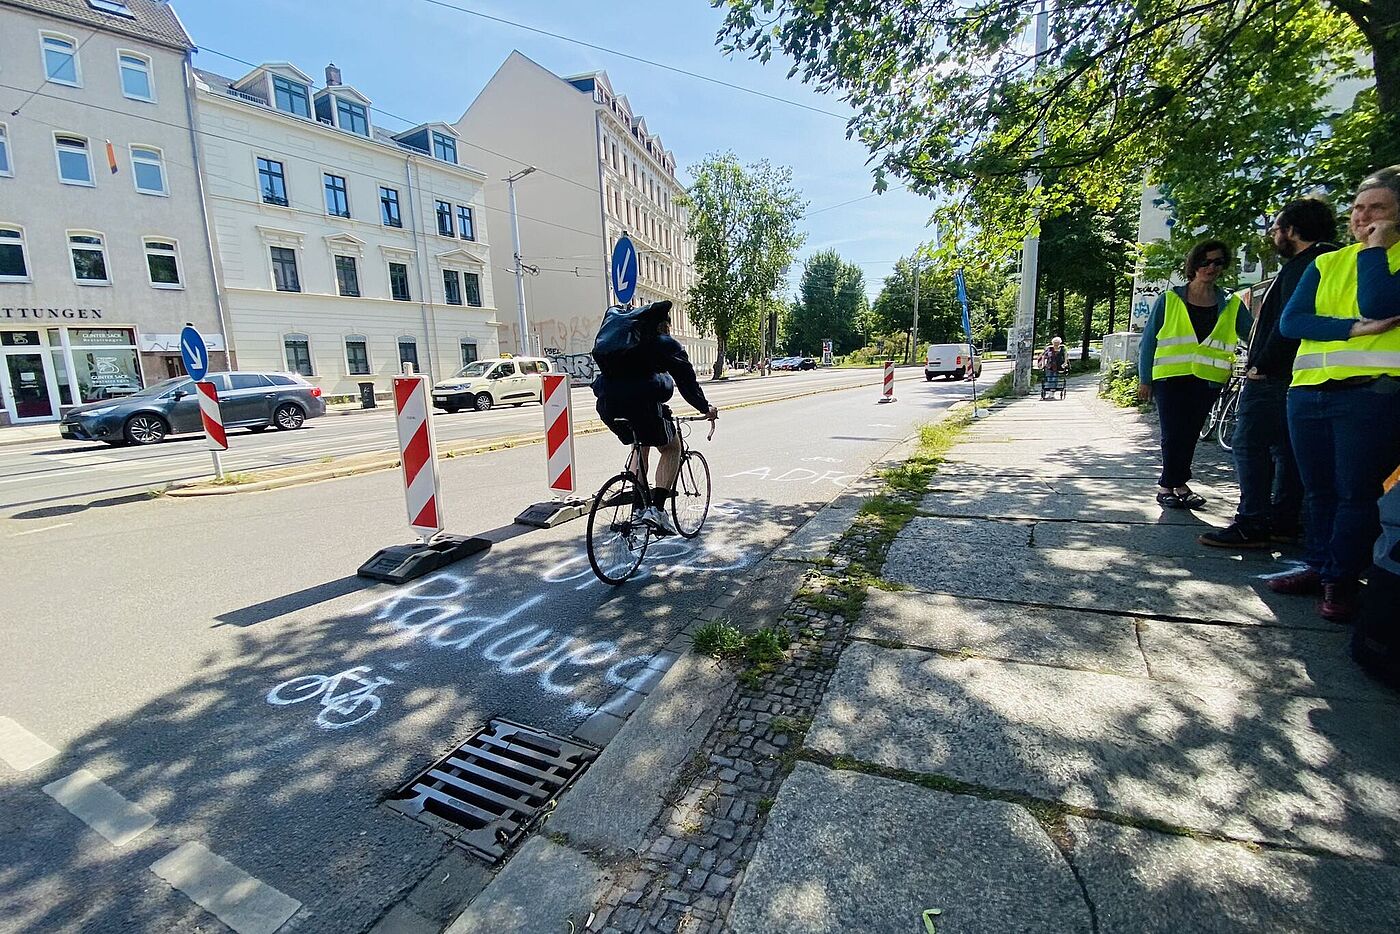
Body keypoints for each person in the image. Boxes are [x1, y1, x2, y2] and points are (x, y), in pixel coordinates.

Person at [1273, 166, 1400, 620]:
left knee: (1355, 492)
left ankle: (1340, 579)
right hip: (1308, 392)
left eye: (1378, 208)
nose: (1364, 217)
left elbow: (1380, 302)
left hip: (1373, 395)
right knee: (1318, 490)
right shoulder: (1328, 262)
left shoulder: (1384, 257)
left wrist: (1376, 250)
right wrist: (1352, 329)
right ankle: (1320, 565)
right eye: (1358, 208)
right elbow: (1293, 322)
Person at [1199, 199, 1338, 549]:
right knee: (1288, 449)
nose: (1274, 235)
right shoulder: (1333, 262)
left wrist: (1262, 364)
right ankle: (1284, 519)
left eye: (1277, 228)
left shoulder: (1304, 266)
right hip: (1305, 376)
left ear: (1292, 230)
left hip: (1276, 377)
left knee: (1249, 444)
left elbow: (1286, 323)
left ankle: (1253, 520)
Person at [1137, 241, 1253, 509]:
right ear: (1194, 265)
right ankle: (1169, 485)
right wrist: (1145, 379)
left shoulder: (1231, 304)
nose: (1211, 267)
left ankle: (1178, 484)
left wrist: (1262, 361)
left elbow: (1253, 337)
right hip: (1170, 377)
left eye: (1217, 262)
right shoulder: (1170, 299)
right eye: (1205, 262)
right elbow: (1149, 342)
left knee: (1190, 433)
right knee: (1173, 432)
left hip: (1208, 379)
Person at [592, 300, 718, 536]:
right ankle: (657, 511)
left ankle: (639, 506)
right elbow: (687, 382)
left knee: (641, 445)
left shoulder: (623, 346)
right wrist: (705, 408)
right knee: (671, 448)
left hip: (608, 406)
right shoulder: (662, 344)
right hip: (642, 406)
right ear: (663, 326)